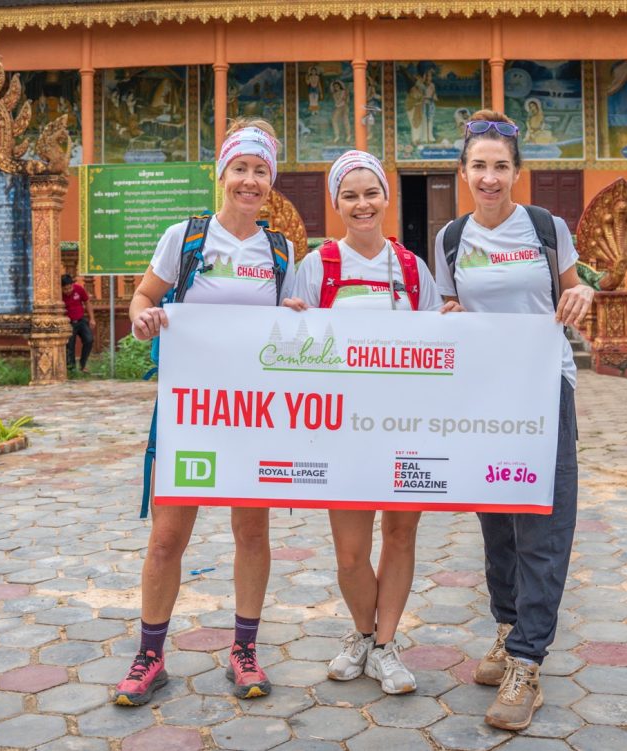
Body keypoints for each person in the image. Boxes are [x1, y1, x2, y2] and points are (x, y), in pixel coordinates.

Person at [117, 119, 296, 706]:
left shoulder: (280, 250)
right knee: (167, 538)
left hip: (254, 414)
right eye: (240, 169)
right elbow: (144, 296)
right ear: (222, 175)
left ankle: (244, 651)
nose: (250, 181)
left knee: (251, 531)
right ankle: (149, 657)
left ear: (271, 181)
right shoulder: (186, 238)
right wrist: (144, 315)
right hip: (191, 412)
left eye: (260, 171)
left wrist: (295, 313)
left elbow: (288, 325)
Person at [433, 110, 594, 731]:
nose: (491, 177)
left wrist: (582, 296)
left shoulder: (546, 228)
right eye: (480, 166)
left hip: (542, 387)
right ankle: (506, 629)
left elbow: (574, 291)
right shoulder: (452, 239)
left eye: (502, 166)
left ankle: (529, 660)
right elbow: (449, 305)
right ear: (464, 172)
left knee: (543, 523)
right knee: (496, 522)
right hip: (481, 394)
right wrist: (447, 314)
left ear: (517, 173)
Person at [281, 150, 442, 695]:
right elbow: (288, 350)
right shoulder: (316, 267)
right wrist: (291, 323)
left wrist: (453, 326)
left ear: (386, 198)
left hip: (404, 425)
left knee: (399, 535)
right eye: (349, 195)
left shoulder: (412, 269)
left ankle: (385, 645)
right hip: (341, 430)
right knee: (350, 552)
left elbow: (438, 346)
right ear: (336, 204)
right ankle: (360, 633)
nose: (362, 204)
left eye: (370, 192)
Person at [61, 274, 94, 373]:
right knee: (70, 346)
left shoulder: (79, 289)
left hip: (81, 320)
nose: (68, 291)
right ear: (61, 288)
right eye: (65, 289)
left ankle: (82, 365)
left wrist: (92, 318)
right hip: (68, 323)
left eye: (69, 288)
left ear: (72, 284)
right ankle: (71, 370)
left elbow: (87, 302)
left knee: (89, 340)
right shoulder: (58, 295)